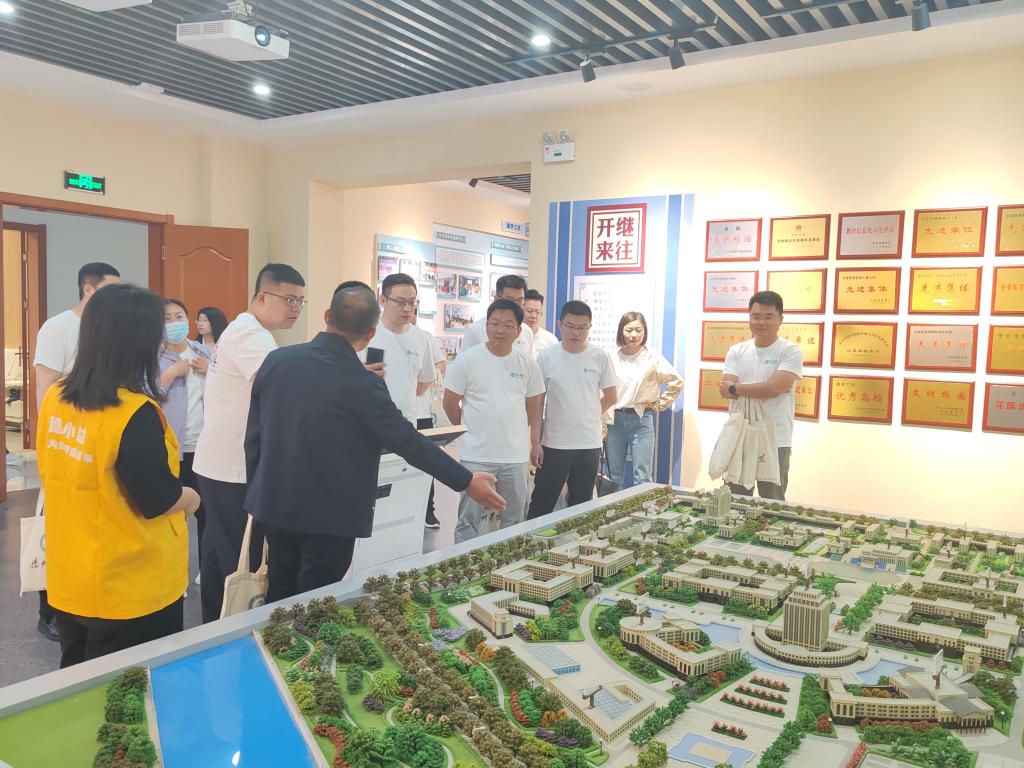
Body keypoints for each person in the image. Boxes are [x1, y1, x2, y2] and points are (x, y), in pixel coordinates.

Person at [244, 286, 506, 601]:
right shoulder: (363, 384)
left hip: (275, 502)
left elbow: (254, 437)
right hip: (332, 514)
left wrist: (257, 489)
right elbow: (407, 441)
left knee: (279, 589)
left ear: (327, 316)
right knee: (315, 600)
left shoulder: (278, 361)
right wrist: (465, 481)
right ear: (371, 334)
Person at [37, 284, 200, 667]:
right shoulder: (133, 413)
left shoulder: (57, 397)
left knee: (79, 678)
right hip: (130, 586)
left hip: (72, 573)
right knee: (131, 689)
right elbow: (158, 500)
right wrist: (192, 497)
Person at [192, 263, 305, 623]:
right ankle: (233, 630)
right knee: (240, 560)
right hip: (232, 468)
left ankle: (213, 624)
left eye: (300, 301)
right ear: (261, 297)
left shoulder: (249, 331)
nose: (295, 308)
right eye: (288, 299)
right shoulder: (249, 335)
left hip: (220, 462)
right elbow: (284, 385)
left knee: (217, 553)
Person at [31, 262, 121, 642]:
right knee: (56, 529)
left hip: (96, 443)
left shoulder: (105, 330)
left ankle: (81, 602)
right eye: (110, 289)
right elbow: (46, 389)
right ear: (88, 289)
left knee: (85, 529)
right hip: (65, 441)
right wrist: (53, 441)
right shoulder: (58, 328)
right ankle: (49, 611)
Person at [443, 299, 544, 543]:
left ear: (518, 331)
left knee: (514, 519)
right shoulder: (468, 359)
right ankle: (464, 561)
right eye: (494, 324)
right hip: (476, 454)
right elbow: (450, 402)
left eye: (508, 325)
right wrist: (467, 431)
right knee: (468, 520)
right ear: (486, 326)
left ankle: (509, 562)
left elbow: (534, 407)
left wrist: (534, 442)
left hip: (515, 457)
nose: (500, 330)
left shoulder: (527, 364)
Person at [528, 300, 617, 519]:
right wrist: (535, 442)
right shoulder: (547, 356)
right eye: (570, 326)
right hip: (554, 443)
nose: (576, 332)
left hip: (588, 443)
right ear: (560, 325)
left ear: (589, 327)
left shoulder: (599, 356)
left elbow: (611, 396)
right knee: (541, 504)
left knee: (581, 507)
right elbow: (537, 402)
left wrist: (588, 413)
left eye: (582, 327)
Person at [719, 290, 803, 500]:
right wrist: (739, 389)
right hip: (739, 436)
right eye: (756, 317)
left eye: (768, 317)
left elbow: (775, 389)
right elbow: (727, 391)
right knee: (734, 500)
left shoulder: (790, 351)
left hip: (775, 438)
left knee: (772, 501)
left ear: (780, 319)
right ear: (749, 318)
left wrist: (736, 388)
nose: (761, 323)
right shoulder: (736, 351)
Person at [158, 299, 213, 581]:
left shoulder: (204, 352)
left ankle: (207, 570)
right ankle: (171, 575)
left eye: (179, 316)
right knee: (170, 513)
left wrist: (211, 369)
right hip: (169, 447)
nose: (174, 323)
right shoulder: (152, 356)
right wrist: (170, 374)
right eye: (167, 318)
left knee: (207, 512)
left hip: (202, 446)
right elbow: (145, 394)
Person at [604, 311, 683, 490]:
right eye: (629, 330)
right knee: (613, 476)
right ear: (621, 331)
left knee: (642, 476)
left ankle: (643, 509)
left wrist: (659, 404)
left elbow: (676, 381)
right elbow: (601, 389)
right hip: (614, 421)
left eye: (638, 330)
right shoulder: (611, 357)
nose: (634, 335)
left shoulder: (652, 357)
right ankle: (612, 508)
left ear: (644, 331)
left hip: (641, 420)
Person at [363, 273, 435, 424]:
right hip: (368, 424)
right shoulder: (365, 333)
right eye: (400, 302)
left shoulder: (422, 338)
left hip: (406, 424)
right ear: (383, 300)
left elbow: (424, 382)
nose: (407, 309)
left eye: (412, 302)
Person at [458, 274, 534, 356]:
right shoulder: (475, 330)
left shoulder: (527, 331)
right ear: (496, 299)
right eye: (510, 301)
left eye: (520, 301)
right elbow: (463, 361)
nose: (515, 306)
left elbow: (529, 361)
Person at [416, 333, 446, 530]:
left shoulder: (424, 337)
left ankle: (428, 510)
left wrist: (429, 376)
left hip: (422, 413)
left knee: (426, 465)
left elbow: (441, 363)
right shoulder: (377, 332)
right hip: (393, 412)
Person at [523, 289, 558, 356]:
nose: (533, 316)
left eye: (537, 312)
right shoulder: (514, 337)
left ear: (541, 313)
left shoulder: (550, 340)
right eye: (529, 311)